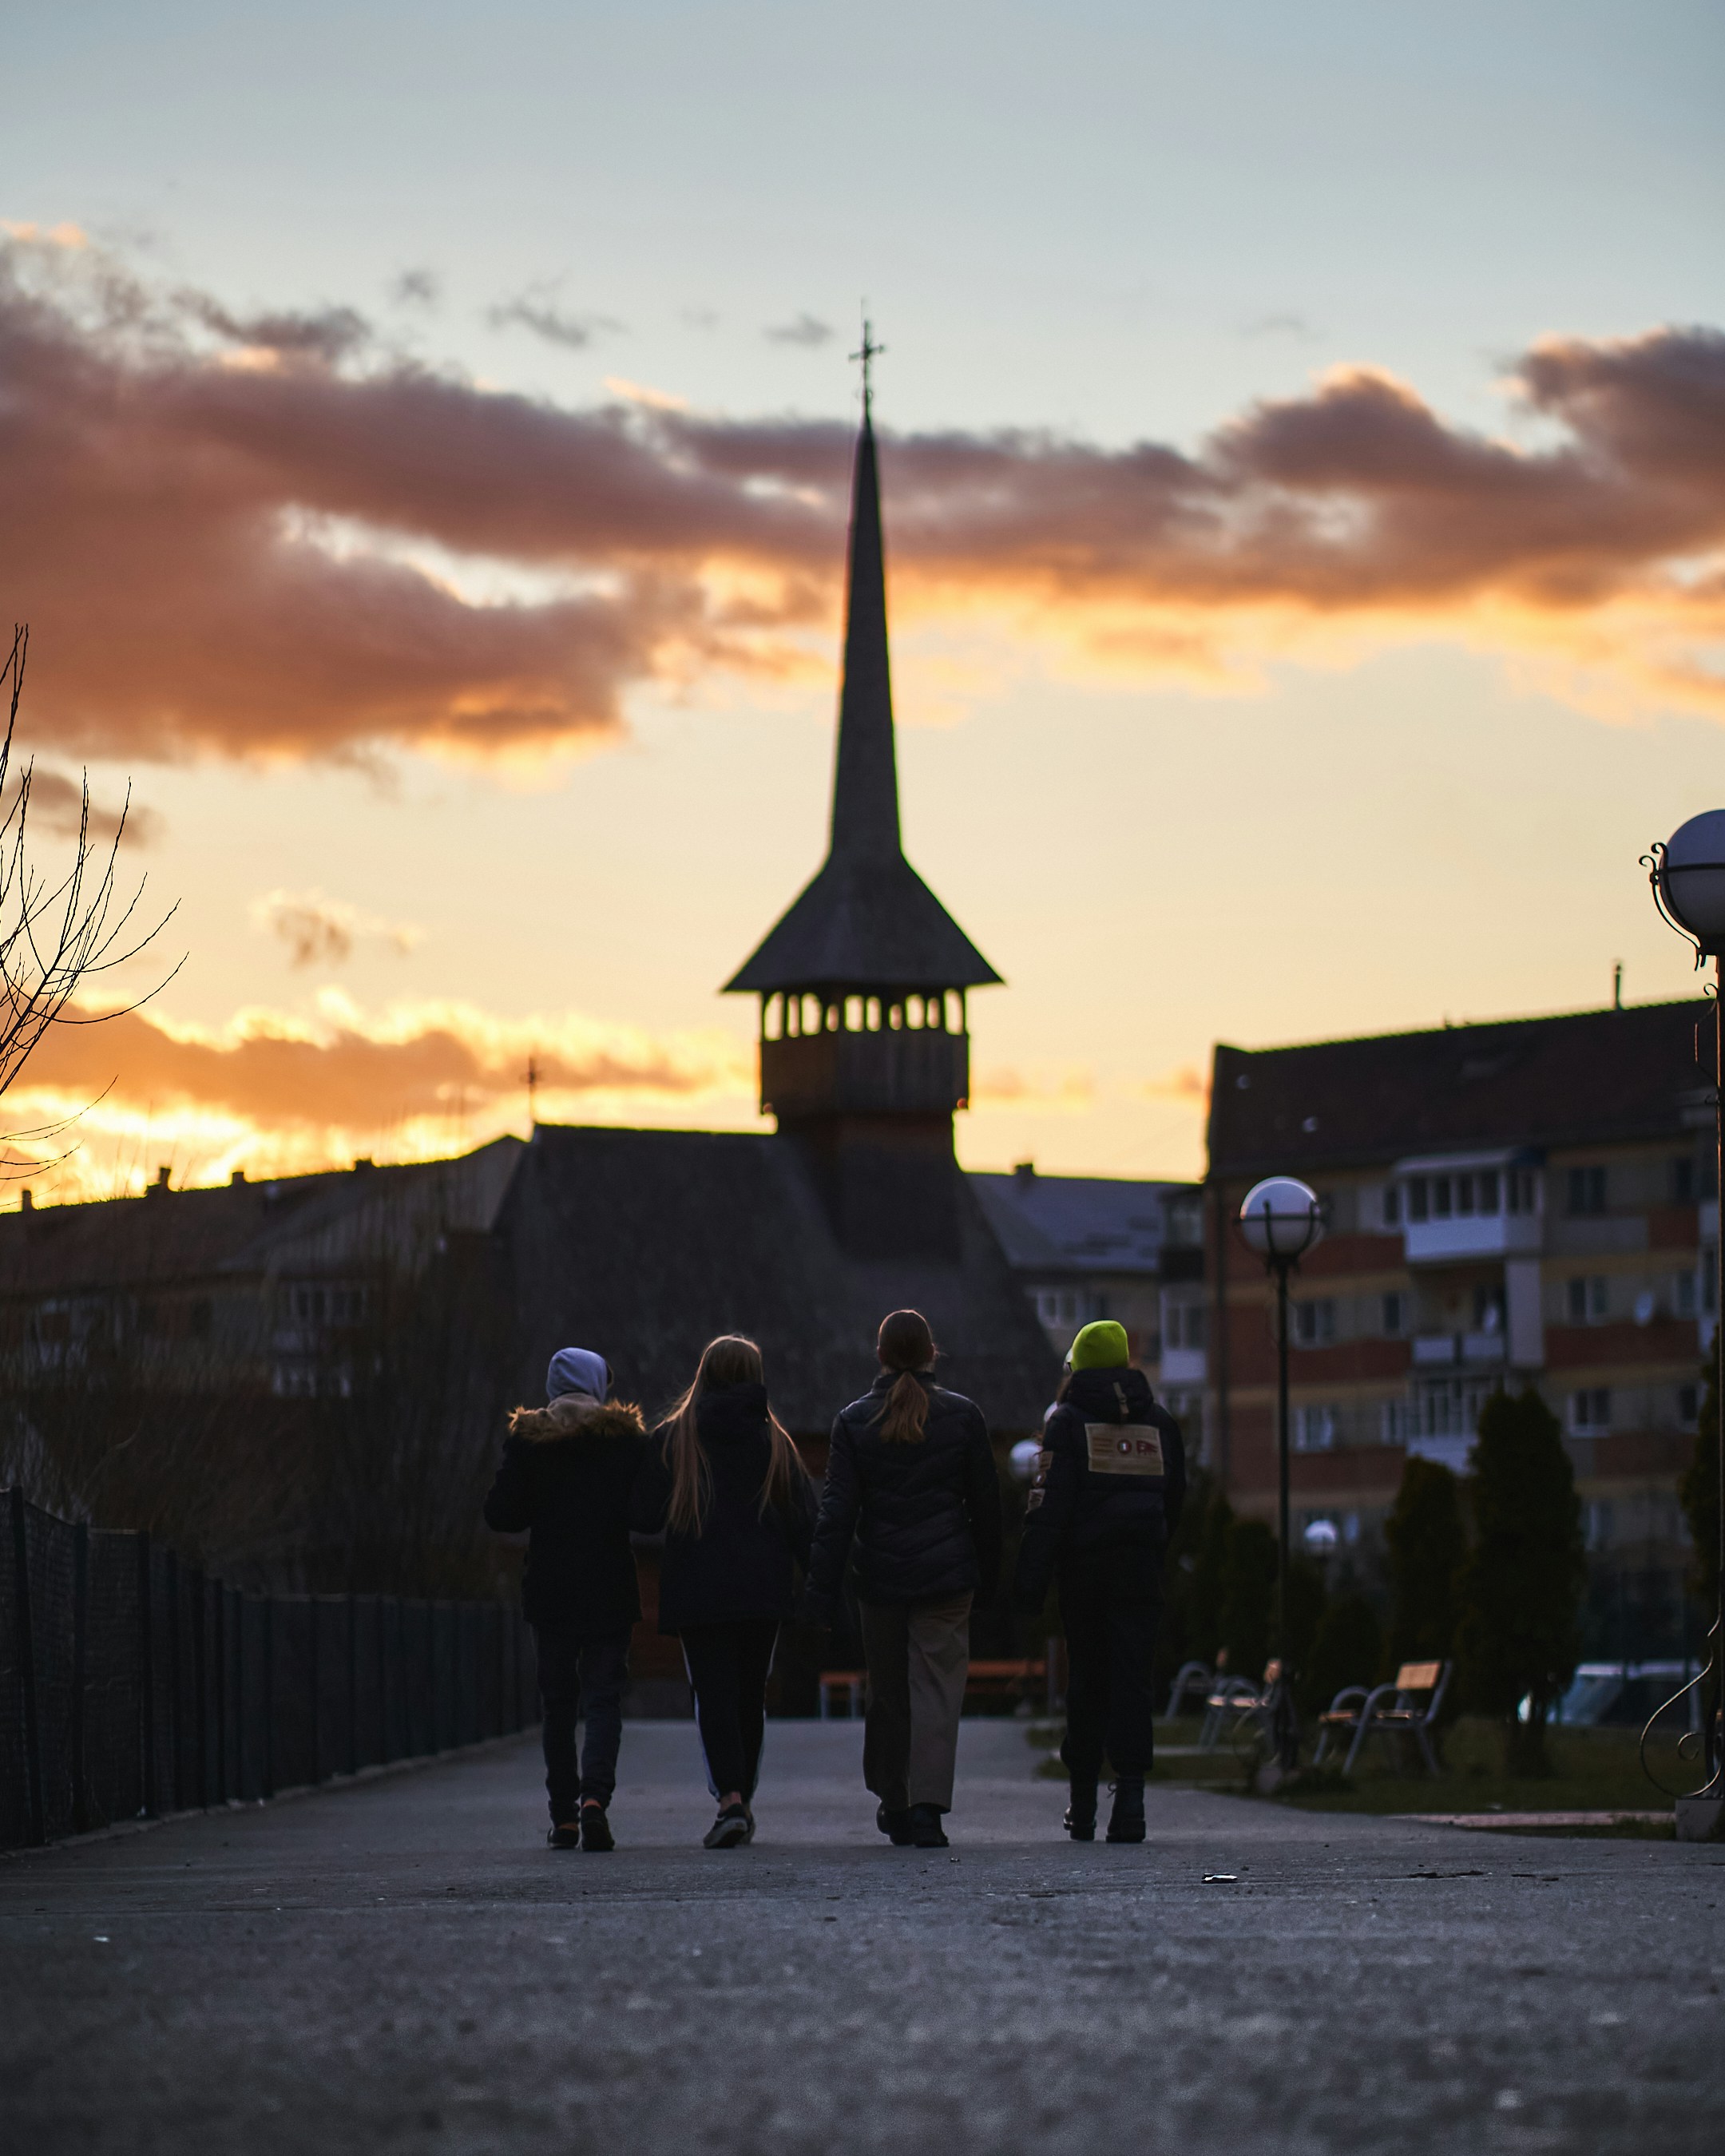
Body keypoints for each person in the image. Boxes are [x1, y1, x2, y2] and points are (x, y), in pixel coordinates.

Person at [803, 1309, 1003, 1850]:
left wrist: (819, 1594)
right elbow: (987, 1505)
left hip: (882, 1580)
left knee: (889, 1694)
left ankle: (894, 1799)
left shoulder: (853, 1421)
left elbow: (837, 1514)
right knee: (937, 1692)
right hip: (947, 1578)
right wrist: (995, 1580)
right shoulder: (963, 1417)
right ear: (932, 1353)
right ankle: (928, 1810)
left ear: (880, 1357)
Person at [631, 1335, 817, 1848]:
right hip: (764, 1592)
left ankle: (730, 1799)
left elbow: (642, 1515)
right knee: (749, 1696)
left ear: (704, 1373)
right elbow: (807, 1525)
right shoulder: (776, 1442)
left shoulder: (675, 1440)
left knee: (712, 1695)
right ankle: (743, 1798)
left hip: (699, 1592)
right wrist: (825, 1590)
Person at [1013, 1319, 1186, 1844]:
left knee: (1086, 1682)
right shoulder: (1160, 1424)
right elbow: (1173, 1500)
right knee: (1134, 1682)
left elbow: (1050, 1509)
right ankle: (1130, 1803)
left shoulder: (1067, 1424)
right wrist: (1154, 1549)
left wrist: (1029, 1585)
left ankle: (1083, 1804)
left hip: (1086, 1576)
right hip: (1140, 1572)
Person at [483, 1346, 646, 1852]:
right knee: (602, 1698)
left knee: (558, 1705)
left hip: (551, 1591)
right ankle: (595, 1800)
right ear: (598, 1386)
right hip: (609, 1588)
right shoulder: (624, 1442)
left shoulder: (531, 1442)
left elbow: (501, 1514)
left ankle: (565, 1817)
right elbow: (649, 1514)